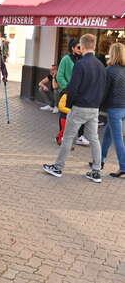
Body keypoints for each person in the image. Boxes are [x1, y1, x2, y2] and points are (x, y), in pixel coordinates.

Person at [42, 34, 106, 183]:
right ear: (94, 46)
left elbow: (73, 88)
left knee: (68, 137)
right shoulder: (101, 65)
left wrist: (69, 105)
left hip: (79, 107)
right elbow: (103, 88)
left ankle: (58, 167)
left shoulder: (81, 64)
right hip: (94, 108)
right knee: (94, 139)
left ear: (82, 47)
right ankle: (96, 171)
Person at [96, 43, 125, 177]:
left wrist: (96, 104)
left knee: (118, 139)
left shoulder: (110, 70)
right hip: (123, 108)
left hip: (115, 108)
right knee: (108, 133)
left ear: (112, 53)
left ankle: (123, 167)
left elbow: (103, 91)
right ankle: (100, 160)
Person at [57, 39, 89, 146]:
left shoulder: (84, 60)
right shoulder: (66, 59)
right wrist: (67, 88)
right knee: (65, 113)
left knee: (81, 113)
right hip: (67, 92)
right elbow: (59, 76)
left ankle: (79, 136)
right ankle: (61, 136)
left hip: (79, 93)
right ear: (72, 48)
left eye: (82, 47)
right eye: (78, 47)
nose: (80, 49)